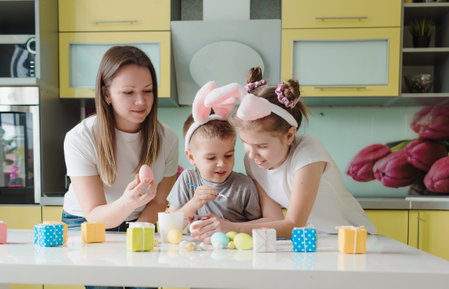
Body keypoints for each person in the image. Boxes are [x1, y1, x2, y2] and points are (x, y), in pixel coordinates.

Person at [190, 67, 376, 240]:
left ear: (289, 135)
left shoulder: (308, 154)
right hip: (315, 238)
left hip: (354, 237)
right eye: (246, 143)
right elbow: (274, 219)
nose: (253, 154)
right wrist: (226, 225)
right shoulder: (253, 162)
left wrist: (233, 228)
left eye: (262, 146)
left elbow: (294, 225)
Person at [62, 46, 178, 289]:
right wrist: (128, 201)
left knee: (143, 283)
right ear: (106, 94)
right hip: (86, 221)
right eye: (128, 92)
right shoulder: (80, 138)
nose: (141, 101)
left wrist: (136, 232)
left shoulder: (166, 137)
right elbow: (94, 213)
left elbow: (158, 202)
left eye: (148, 91)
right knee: (105, 285)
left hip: (141, 219)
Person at [167, 82, 262, 230]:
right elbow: (171, 227)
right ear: (191, 157)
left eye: (228, 155)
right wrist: (194, 203)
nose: (221, 164)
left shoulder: (244, 186)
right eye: (211, 158)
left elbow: (260, 227)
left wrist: (230, 227)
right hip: (195, 251)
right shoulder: (188, 179)